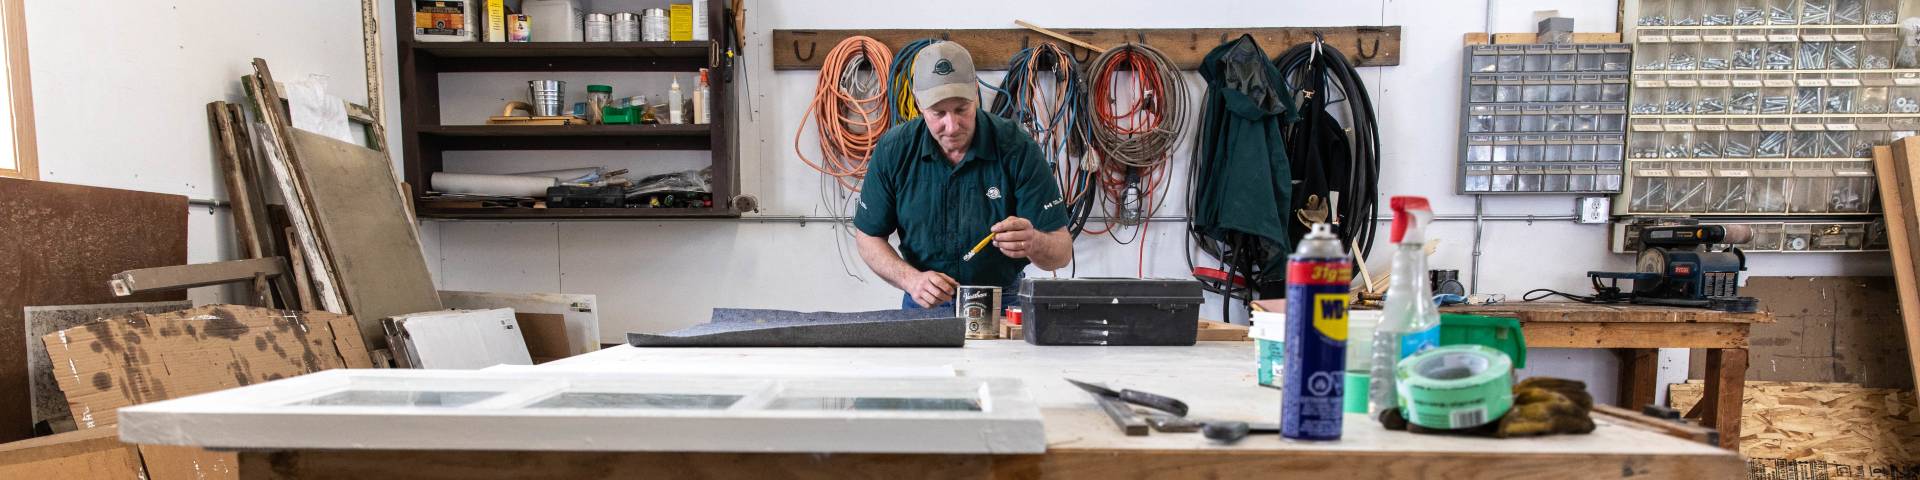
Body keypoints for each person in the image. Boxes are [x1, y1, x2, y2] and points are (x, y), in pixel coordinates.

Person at [852, 42, 1074, 309]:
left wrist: (1034, 242)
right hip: (923, 302)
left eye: (961, 109)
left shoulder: (1017, 148)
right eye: (938, 113)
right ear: (918, 102)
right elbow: (868, 237)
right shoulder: (893, 150)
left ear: (976, 95)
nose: (952, 125)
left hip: (1003, 301)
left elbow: (1061, 251)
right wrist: (911, 280)